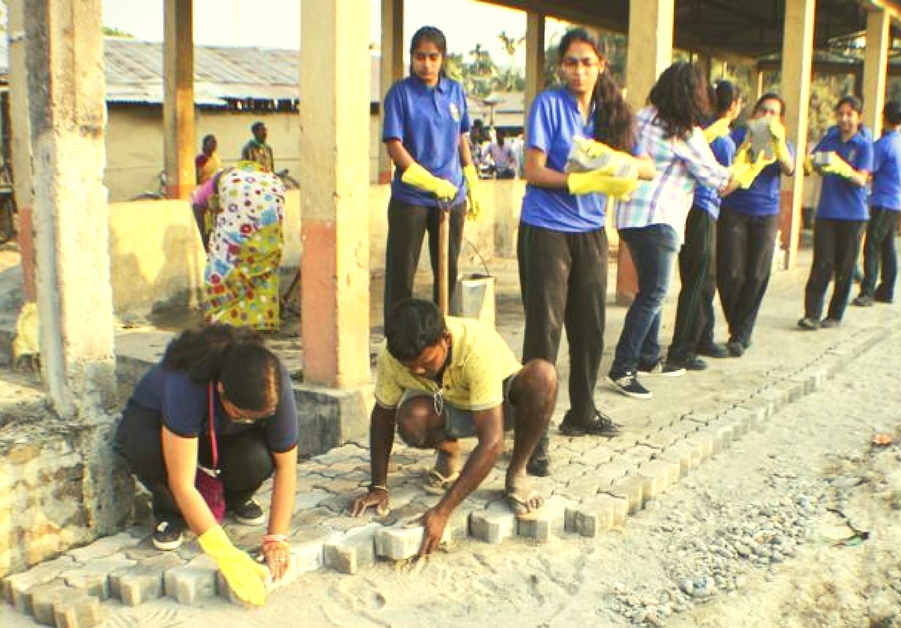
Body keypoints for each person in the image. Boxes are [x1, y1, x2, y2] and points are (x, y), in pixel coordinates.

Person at [518, 27, 647, 446]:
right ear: (560, 66)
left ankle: (582, 411)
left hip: (591, 231)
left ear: (601, 67)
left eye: (587, 63)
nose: (578, 71)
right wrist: (578, 181)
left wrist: (615, 161)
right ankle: (533, 434)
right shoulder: (548, 105)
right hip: (546, 228)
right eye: (571, 62)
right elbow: (533, 170)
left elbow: (647, 168)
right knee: (545, 330)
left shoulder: (612, 112)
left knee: (590, 328)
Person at [348, 299, 556, 556]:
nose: (419, 370)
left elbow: (492, 441)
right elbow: (382, 417)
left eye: (425, 362)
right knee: (412, 418)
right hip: (452, 405)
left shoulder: (474, 345)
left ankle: (517, 471)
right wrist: (378, 486)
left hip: (502, 407)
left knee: (543, 376)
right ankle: (448, 455)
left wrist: (442, 511)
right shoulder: (391, 356)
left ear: (445, 338)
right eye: (409, 367)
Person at [606, 64, 765, 399]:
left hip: (627, 216)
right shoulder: (685, 133)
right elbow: (719, 180)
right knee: (654, 294)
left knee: (652, 289)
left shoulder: (642, 117)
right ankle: (623, 367)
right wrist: (749, 167)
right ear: (693, 94)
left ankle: (649, 357)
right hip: (659, 218)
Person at [116, 324, 298, 606]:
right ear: (222, 389)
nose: (249, 420)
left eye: (256, 417)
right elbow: (183, 483)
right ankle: (171, 512)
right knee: (146, 449)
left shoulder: (273, 382)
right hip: (157, 425)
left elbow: (287, 465)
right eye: (242, 414)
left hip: (215, 430)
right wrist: (225, 552)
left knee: (256, 458)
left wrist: (277, 537)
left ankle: (234, 498)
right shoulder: (186, 383)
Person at [381, 26, 485, 328]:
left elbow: (460, 138)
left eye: (433, 57)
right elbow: (394, 146)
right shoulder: (400, 94)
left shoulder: (454, 91)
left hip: (452, 197)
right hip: (411, 198)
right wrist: (426, 180)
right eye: (420, 57)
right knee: (402, 273)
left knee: (447, 271)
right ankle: (398, 340)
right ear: (411, 58)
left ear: (443, 58)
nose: (426, 64)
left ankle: (441, 333)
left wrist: (470, 177)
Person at [665, 80, 743, 368]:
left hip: (692, 209)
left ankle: (701, 337)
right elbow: (721, 185)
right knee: (697, 282)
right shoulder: (721, 139)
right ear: (733, 105)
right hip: (703, 209)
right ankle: (681, 349)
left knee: (703, 281)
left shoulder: (701, 129)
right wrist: (747, 168)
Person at [716, 93, 796, 356]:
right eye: (763, 110)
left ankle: (741, 334)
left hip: (766, 212)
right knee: (730, 274)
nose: (767, 116)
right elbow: (724, 167)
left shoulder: (783, 142)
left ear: (780, 119)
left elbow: (789, 168)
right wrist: (747, 147)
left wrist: (778, 145)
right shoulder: (739, 135)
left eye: (774, 113)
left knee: (757, 274)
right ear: (754, 112)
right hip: (734, 210)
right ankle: (738, 326)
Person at [797, 95, 873, 330]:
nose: (844, 119)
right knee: (822, 264)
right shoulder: (830, 138)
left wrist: (842, 168)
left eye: (849, 114)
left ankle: (834, 315)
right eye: (840, 114)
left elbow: (862, 179)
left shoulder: (863, 145)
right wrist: (810, 164)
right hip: (827, 212)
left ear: (858, 117)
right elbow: (812, 161)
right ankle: (811, 314)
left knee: (845, 267)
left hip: (853, 215)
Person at [194, 161, 286, 331]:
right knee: (263, 278)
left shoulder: (221, 178)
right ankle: (262, 321)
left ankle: (224, 322)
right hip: (268, 239)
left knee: (221, 272)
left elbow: (197, 204)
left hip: (235, 242)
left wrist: (206, 239)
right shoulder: (273, 180)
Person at [854, 100, 901, 307]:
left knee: (872, 246)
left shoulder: (883, 144)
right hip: (897, 200)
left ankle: (867, 291)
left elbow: (869, 169)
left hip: (882, 200)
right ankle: (887, 289)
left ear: (883, 118)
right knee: (888, 246)